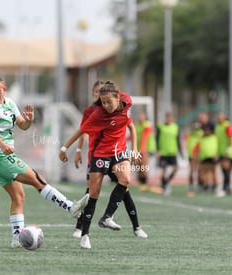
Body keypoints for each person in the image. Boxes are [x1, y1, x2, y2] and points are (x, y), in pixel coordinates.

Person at [0, 76, 89, 248]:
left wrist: (29, 120)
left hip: (0, 158)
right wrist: (3, 146)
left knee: (18, 196)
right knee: (38, 179)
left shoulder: (9, 103)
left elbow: (23, 125)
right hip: (0, 157)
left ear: (5, 91)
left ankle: (17, 239)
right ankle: (71, 207)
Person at [59, 81, 147, 249]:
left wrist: (134, 149)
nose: (105, 105)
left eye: (108, 101)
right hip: (100, 154)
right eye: (103, 101)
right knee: (94, 194)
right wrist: (64, 149)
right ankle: (84, 235)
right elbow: (81, 131)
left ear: (118, 97)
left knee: (126, 180)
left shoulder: (127, 102)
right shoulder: (97, 114)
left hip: (119, 152)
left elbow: (131, 125)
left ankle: (108, 217)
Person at [156, 112, 183, 196]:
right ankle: (164, 187)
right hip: (163, 152)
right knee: (163, 170)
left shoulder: (175, 127)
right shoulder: (160, 127)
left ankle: (167, 181)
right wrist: (158, 150)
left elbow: (178, 140)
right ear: (165, 118)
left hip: (172, 151)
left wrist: (180, 151)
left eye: (170, 118)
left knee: (176, 168)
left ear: (173, 119)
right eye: (167, 118)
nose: (169, 119)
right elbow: (156, 139)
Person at [192, 125, 219, 195]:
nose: (206, 132)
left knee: (213, 173)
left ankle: (215, 186)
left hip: (212, 158)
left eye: (208, 130)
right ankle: (206, 186)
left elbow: (217, 147)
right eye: (205, 131)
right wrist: (195, 158)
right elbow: (196, 149)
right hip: (203, 158)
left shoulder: (214, 138)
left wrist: (216, 155)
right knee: (203, 173)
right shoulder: (201, 139)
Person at [135, 111, 156, 192]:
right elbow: (134, 135)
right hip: (139, 149)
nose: (140, 118)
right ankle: (142, 183)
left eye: (142, 116)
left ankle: (145, 183)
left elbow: (144, 138)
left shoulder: (147, 125)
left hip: (147, 148)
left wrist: (143, 150)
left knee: (143, 166)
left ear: (145, 118)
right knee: (139, 166)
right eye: (139, 116)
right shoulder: (137, 125)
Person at [215, 112, 232, 195]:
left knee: (226, 169)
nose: (218, 119)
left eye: (220, 117)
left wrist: (228, 150)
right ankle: (225, 187)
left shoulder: (227, 126)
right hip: (220, 151)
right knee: (223, 169)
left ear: (224, 118)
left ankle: (226, 187)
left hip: (226, 151)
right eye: (218, 117)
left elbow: (230, 138)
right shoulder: (218, 126)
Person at [186, 121, 203, 197]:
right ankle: (191, 186)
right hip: (191, 154)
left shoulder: (201, 133)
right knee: (192, 170)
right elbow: (186, 142)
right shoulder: (190, 134)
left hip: (198, 154)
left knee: (199, 170)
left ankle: (200, 184)